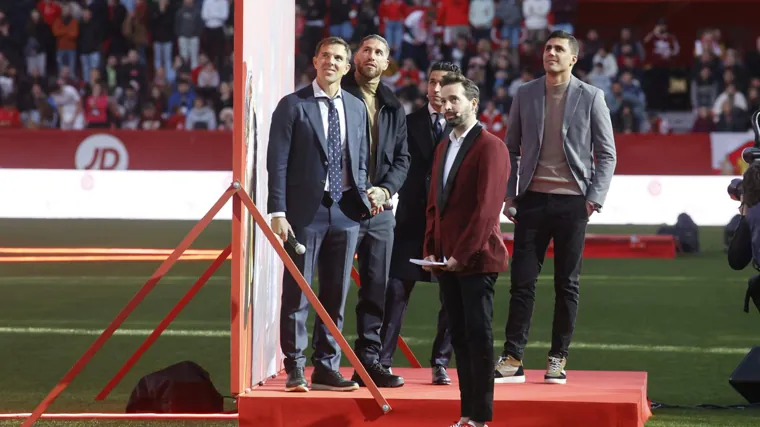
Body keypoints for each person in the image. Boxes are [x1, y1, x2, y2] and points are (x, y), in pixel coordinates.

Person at [495, 30, 617, 385]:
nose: (551, 53)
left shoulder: (592, 96)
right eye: (548, 48)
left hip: (573, 202)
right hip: (531, 200)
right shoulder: (525, 93)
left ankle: (557, 359)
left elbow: (607, 153)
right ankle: (513, 358)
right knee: (521, 283)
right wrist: (510, 194)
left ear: (573, 58)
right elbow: (511, 147)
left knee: (568, 284)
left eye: (559, 49)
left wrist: (593, 198)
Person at [267, 36, 372, 393]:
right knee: (297, 294)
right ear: (315, 61)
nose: (331, 61)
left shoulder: (357, 108)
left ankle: (327, 367)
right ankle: (295, 367)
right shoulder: (292, 105)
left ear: (347, 67)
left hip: (345, 212)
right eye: (325, 55)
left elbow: (359, 158)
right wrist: (278, 210)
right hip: (304, 213)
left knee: (336, 294)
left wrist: (363, 194)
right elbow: (277, 162)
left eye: (339, 57)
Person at [423, 72, 510, 427]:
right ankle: (467, 414)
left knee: (478, 336)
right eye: (442, 100)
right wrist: (431, 249)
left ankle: (482, 416)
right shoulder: (444, 146)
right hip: (447, 261)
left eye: (454, 99)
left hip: (476, 260)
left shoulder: (491, 146)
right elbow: (434, 205)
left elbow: (488, 209)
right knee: (459, 338)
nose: (446, 106)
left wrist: (462, 253)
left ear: (474, 104)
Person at [383, 61, 460, 385]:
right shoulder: (406, 120)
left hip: (450, 224)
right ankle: (381, 361)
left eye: (443, 82)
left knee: (453, 297)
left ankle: (441, 363)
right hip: (411, 220)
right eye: (431, 81)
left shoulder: (465, 128)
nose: (436, 88)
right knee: (396, 292)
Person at [341, 34, 410, 388]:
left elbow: (403, 159)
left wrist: (385, 189)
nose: (372, 55)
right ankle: (325, 363)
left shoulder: (394, 106)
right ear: (355, 57)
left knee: (376, 289)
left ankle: (369, 362)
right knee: (334, 288)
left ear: (387, 64)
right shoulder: (337, 94)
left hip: (381, 211)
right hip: (340, 207)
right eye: (366, 49)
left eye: (379, 52)